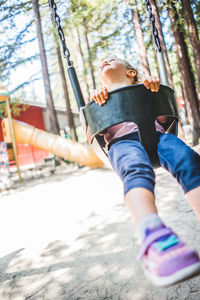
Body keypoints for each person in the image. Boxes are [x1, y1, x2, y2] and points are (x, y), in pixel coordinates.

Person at [90, 56, 200, 286]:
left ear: (131, 73)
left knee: (187, 158)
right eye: (102, 63)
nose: (104, 61)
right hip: (122, 143)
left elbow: (163, 116)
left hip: (157, 137)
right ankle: (153, 237)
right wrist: (97, 101)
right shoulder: (101, 97)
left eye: (111, 59)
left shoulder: (147, 87)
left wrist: (153, 90)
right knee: (135, 169)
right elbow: (95, 129)